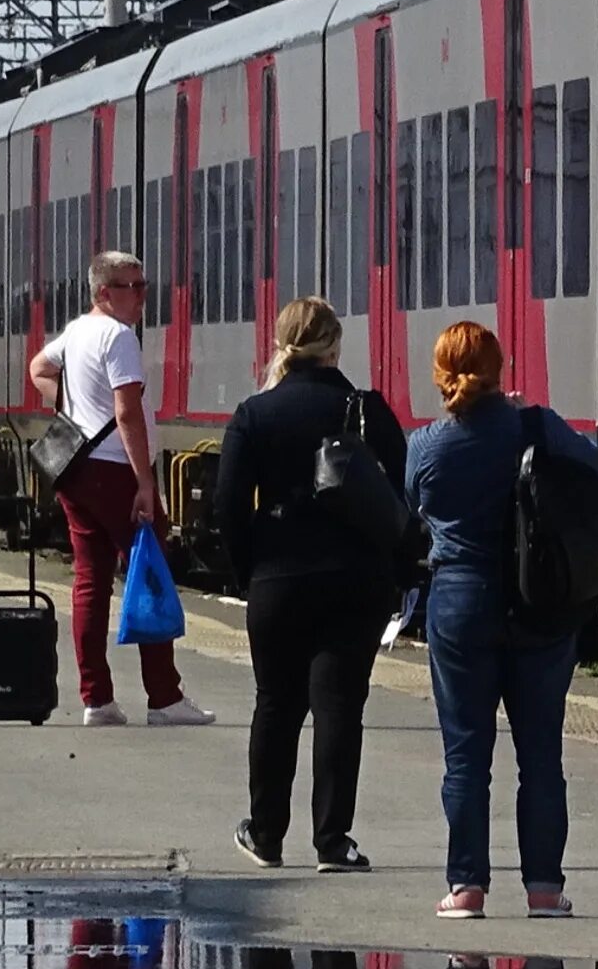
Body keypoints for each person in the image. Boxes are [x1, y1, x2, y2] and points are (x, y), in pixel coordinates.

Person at [405, 320, 598, 922]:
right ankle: (545, 890)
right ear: (502, 369)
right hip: (540, 606)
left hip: (460, 605)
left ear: (441, 375)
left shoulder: (426, 445)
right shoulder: (534, 425)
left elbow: (414, 504)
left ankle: (466, 888)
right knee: (541, 754)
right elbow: (594, 466)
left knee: (466, 755)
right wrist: (528, 427)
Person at [215, 297, 411, 874]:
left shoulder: (254, 414)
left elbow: (227, 505)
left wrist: (248, 568)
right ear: (335, 346)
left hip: (278, 577)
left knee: (276, 704)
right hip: (357, 580)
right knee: (339, 707)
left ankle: (266, 834)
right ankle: (333, 841)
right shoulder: (367, 410)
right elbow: (400, 495)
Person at [27, 251, 214, 727]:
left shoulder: (77, 332)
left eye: (143, 284)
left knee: (90, 581)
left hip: (74, 468)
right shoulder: (118, 336)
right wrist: (146, 482)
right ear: (105, 293)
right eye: (133, 286)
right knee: (150, 572)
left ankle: (97, 699)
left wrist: (73, 407)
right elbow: (128, 411)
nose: (143, 295)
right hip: (115, 470)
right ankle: (165, 698)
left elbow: (38, 370)